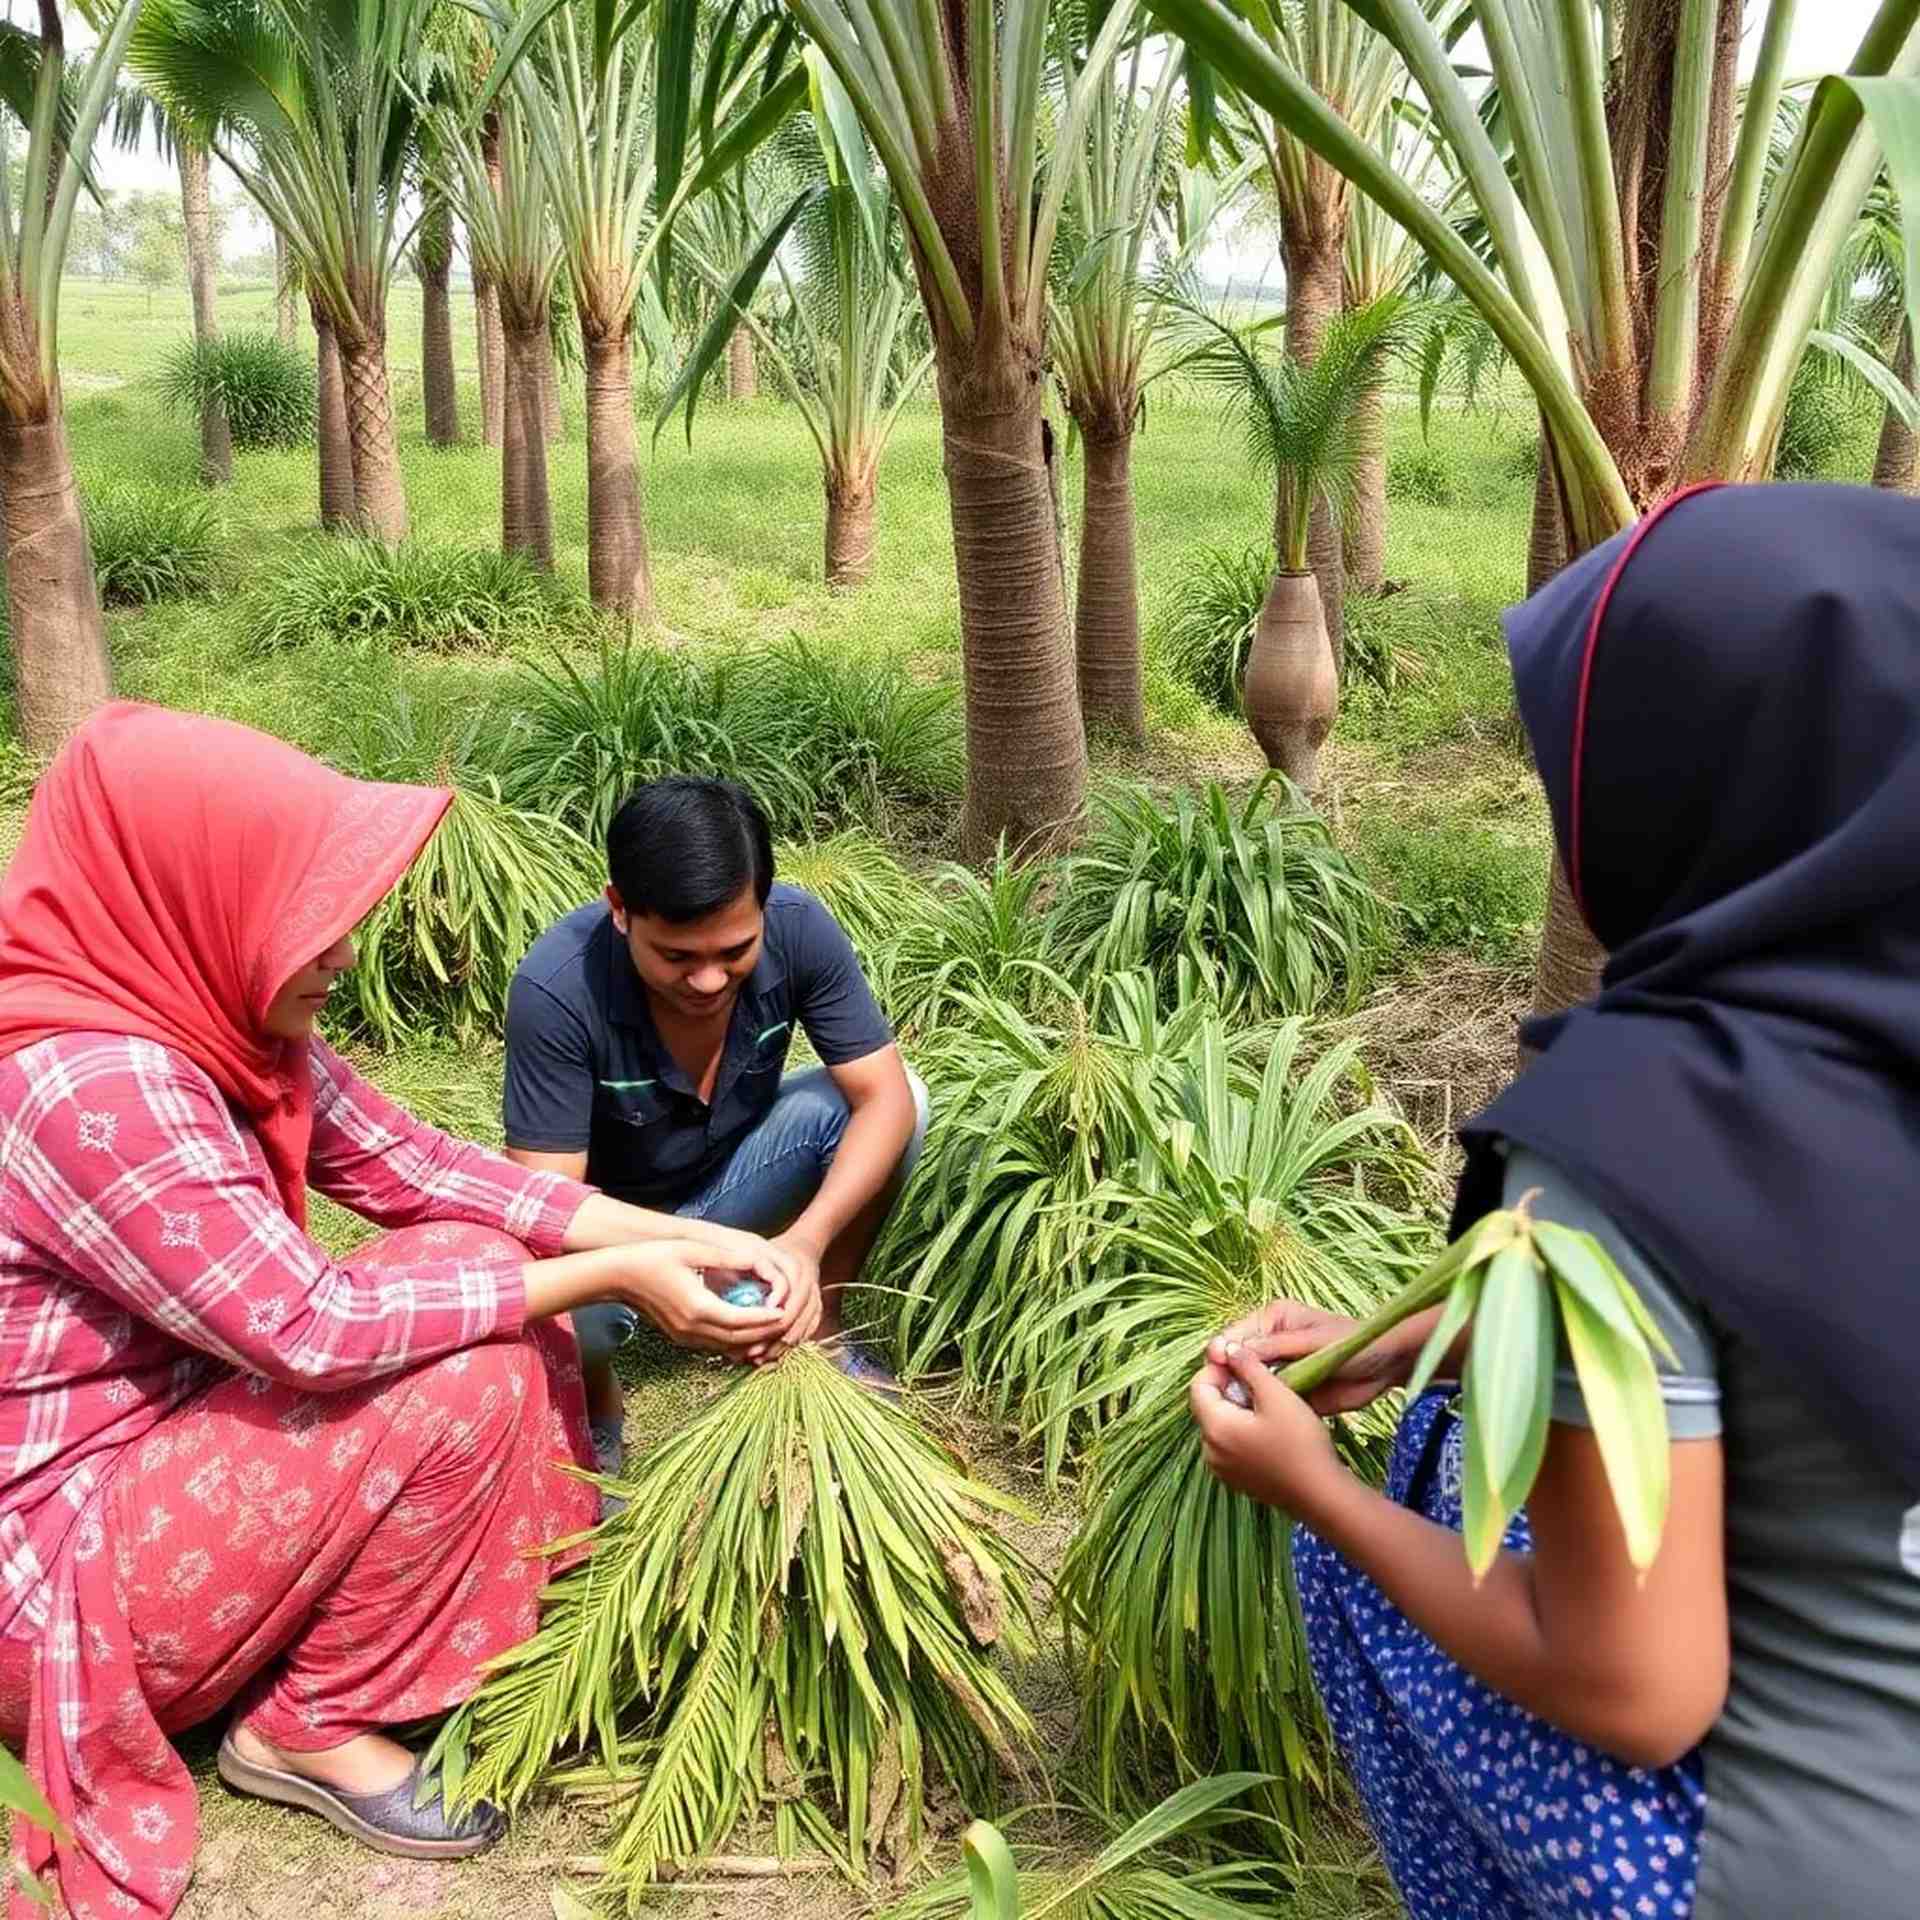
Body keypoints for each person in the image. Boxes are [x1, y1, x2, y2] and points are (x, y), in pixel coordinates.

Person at [1189, 482, 1920, 1920]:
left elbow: (1635, 1692)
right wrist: (1422, 1336)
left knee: (1426, 1505)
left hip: (1815, 1859)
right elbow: (1808, 1319)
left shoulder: (1631, 1143)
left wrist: (1316, 1493)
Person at [0, 705, 817, 1918]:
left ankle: (375, 1638)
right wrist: (611, 1278)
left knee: (478, 1261)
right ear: (190, 892)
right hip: (63, 1573)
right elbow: (308, 1326)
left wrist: (701, 1237)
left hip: (171, 1477)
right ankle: (305, 1726)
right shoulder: (88, 1081)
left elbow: (420, 1170)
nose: (341, 951)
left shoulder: (216, 1015)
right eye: (306, 917)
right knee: (469, 1363)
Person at [503, 776, 926, 1462]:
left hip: (732, 1180)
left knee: (901, 1096)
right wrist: (691, 1257)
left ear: (763, 905)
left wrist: (805, 1244)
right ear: (620, 911)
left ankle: (817, 1318)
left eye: (734, 953)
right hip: (606, 1232)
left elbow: (885, 1097)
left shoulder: (799, 930)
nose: (707, 980)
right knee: (546, 1281)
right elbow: (547, 1206)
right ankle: (594, 1402)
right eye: (676, 957)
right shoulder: (557, 989)